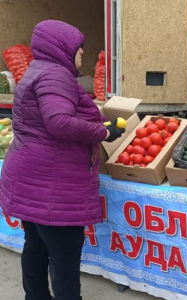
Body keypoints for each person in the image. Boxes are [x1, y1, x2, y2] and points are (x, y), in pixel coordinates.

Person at [0, 20, 125, 300]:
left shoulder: (39, 71)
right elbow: (58, 121)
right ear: (64, 49)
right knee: (64, 258)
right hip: (52, 186)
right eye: (79, 50)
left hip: (30, 176)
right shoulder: (56, 76)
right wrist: (103, 131)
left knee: (35, 246)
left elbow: (57, 115)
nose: (82, 55)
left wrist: (101, 120)